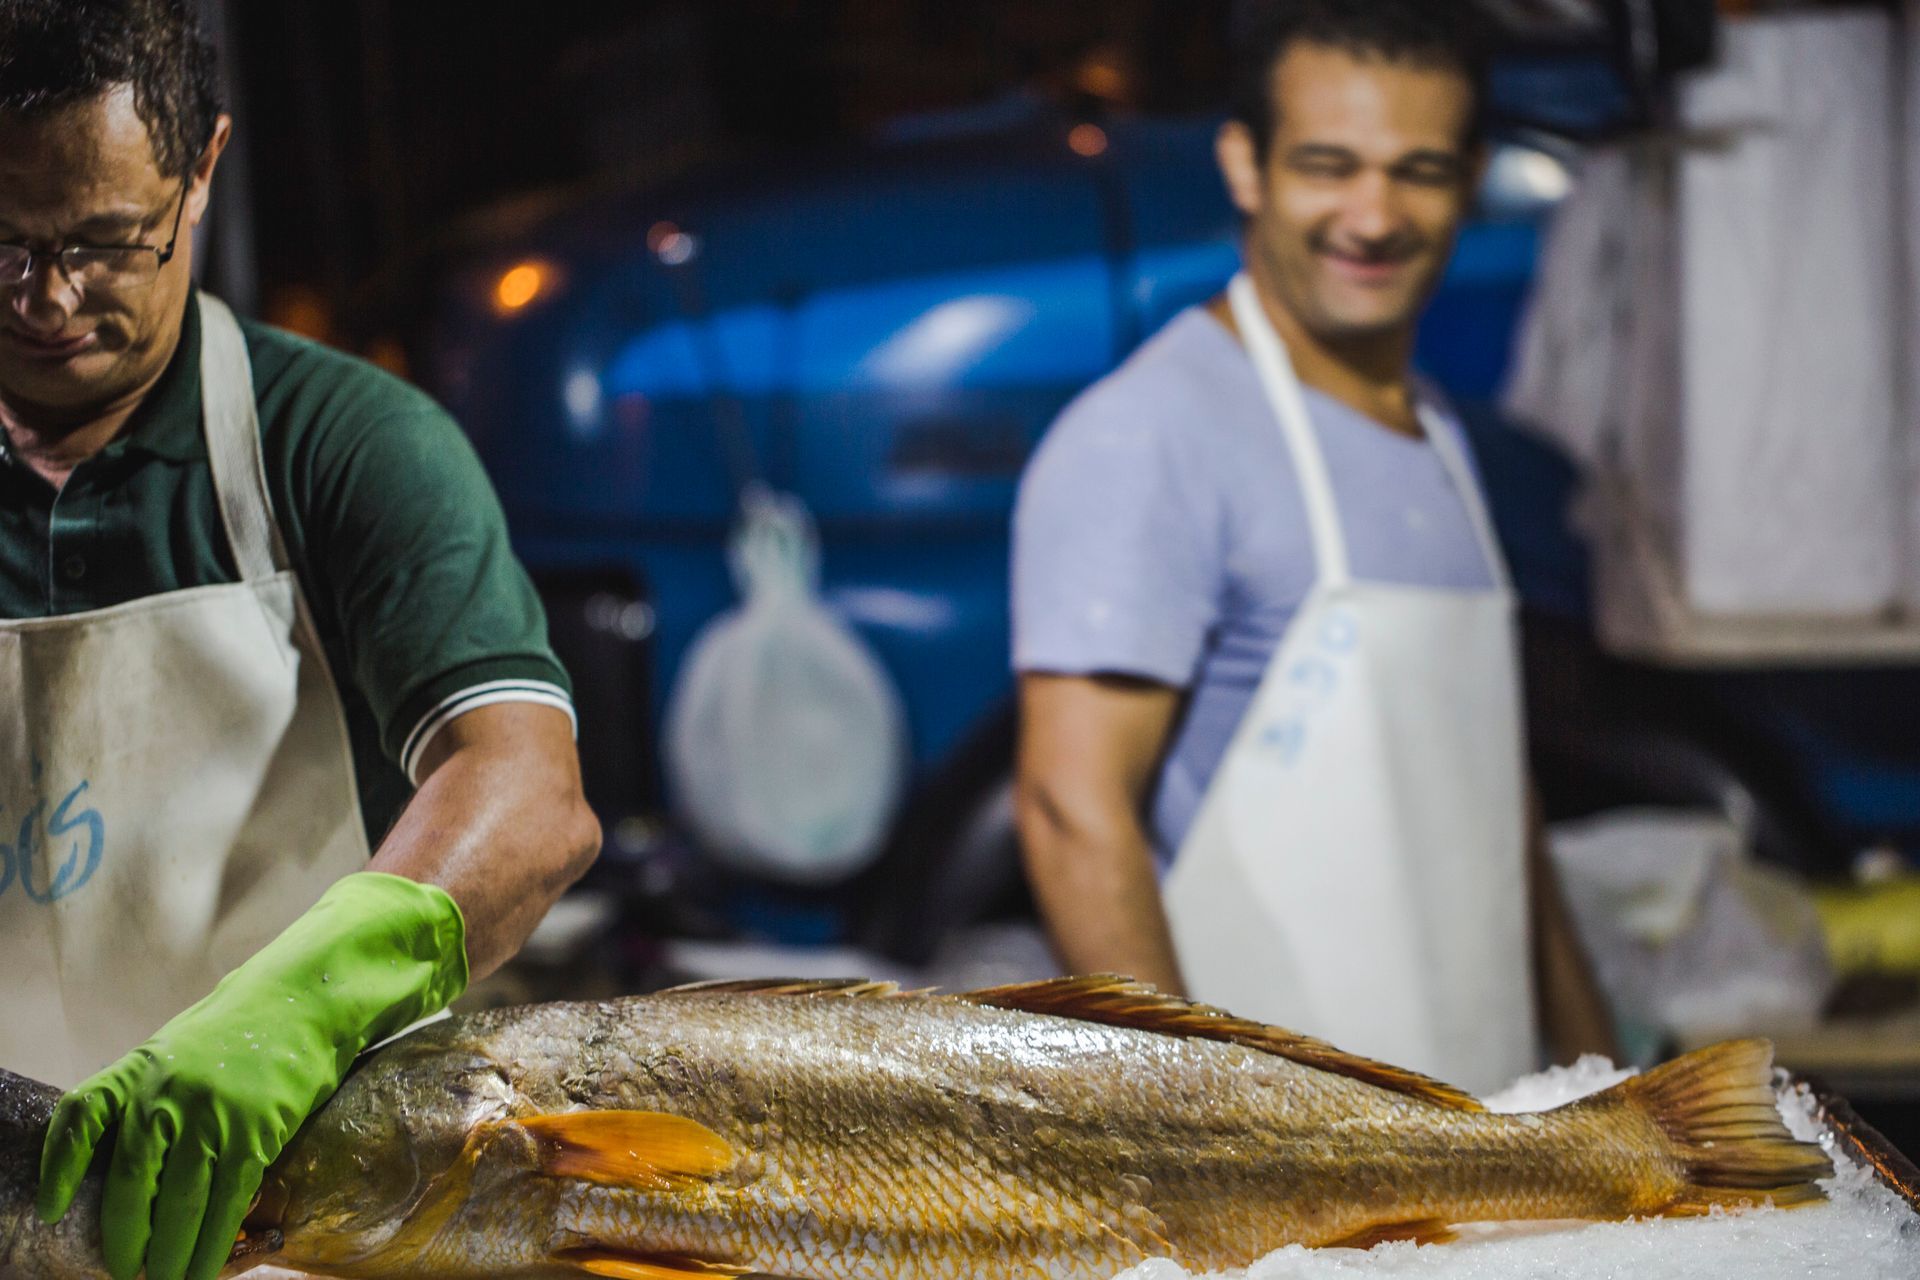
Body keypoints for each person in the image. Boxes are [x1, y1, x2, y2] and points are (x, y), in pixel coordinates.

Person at [0, 4, 601, 1279]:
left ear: (202, 172)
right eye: (2, 243)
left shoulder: (337, 445)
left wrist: (306, 1002)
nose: (45, 298)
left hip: (305, 1212)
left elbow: (526, 790)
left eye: (106, 244)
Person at [1012, 0, 1612, 1093]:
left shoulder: (1437, 432)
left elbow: (1496, 815)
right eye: (1329, 165)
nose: (1373, 215)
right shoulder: (1153, 432)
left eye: (1418, 170)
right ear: (1245, 163)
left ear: (1472, 175)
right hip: (1283, 1174)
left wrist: (1602, 1089)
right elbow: (1069, 807)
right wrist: (1188, 1141)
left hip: (1479, 1130)